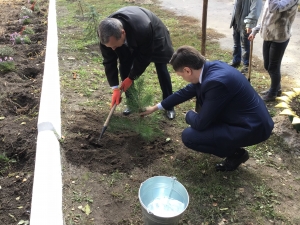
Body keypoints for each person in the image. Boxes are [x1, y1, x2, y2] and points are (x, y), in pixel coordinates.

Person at [140, 46, 274, 171]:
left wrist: (188, 115)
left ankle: (236, 154)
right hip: (243, 117)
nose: (182, 78)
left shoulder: (216, 82)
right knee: (203, 124)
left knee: (189, 136)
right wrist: (155, 107)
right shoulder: (209, 68)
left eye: (181, 75)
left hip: (252, 127)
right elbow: (185, 92)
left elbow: (200, 123)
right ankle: (229, 144)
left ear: (188, 70)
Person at [98, 6, 176, 119]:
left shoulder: (143, 27)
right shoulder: (105, 34)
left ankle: (169, 105)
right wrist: (115, 88)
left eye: (114, 45)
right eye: (110, 47)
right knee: (124, 66)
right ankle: (132, 103)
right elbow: (109, 60)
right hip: (130, 35)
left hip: (154, 34)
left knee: (161, 67)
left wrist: (131, 78)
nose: (113, 49)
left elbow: (144, 57)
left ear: (123, 33)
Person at [248, 0, 299, 102]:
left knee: (273, 67)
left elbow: (274, 8)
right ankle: (277, 88)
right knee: (267, 65)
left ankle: (273, 93)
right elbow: (266, 18)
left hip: (279, 37)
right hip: (268, 35)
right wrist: (256, 30)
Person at [228, 0, 262, 75]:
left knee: (245, 45)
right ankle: (236, 61)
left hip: (245, 23)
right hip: (236, 21)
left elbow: (255, 9)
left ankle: (246, 65)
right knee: (236, 44)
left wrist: (249, 24)